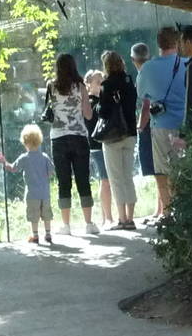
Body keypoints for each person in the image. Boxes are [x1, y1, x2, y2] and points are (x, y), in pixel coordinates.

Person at [43, 52, 99, 236]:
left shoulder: (51, 86)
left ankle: (66, 226)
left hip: (58, 138)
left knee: (63, 182)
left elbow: (48, 111)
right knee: (83, 179)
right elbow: (89, 115)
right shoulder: (81, 87)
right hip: (79, 137)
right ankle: (89, 223)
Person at [137, 27, 188, 218]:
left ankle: (167, 213)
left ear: (158, 44)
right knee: (183, 170)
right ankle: (184, 211)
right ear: (178, 43)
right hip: (184, 125)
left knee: (161, 171)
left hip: (160, 125)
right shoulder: (187, 64)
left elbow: (143, 95)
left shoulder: (147, 68)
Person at [95, 50, 139, 229]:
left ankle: (121, 219)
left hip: (113, 136)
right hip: (130, 132)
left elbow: (103, 111)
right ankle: (131, 217)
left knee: (116, 178)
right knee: (128, 176)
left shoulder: (107, 84)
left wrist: (98, 104)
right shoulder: (129, 81)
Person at [0, 124, 55, 245]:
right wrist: (43, 178)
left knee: (34, 215)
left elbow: (12, 168)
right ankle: (48, 234)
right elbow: (51, 172)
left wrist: (3, 161)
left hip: (32, 194)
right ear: (39, 140)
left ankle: (35, 236)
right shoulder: (45, 157)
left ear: (25, 142)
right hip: (45, 193)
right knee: (46, 214)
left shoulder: (24, 158)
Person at [83, 69, 114, 227]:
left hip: (105, 144)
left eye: (102, 81)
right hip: (97, 145)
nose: (101, 84)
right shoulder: (89, 102)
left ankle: (105, 217)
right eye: (97, 81)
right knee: (105, 180)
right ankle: (108, 217)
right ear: (88, 84)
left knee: (107, 180)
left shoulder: (102, 99)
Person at [130, 41, 156, 192]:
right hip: (160, 123)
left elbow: (146, 105)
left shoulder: (143, 76)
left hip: (148, 125)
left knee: (153, 167)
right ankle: (161, 206)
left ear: (133, 60)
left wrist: (140, 126)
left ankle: (162, 207)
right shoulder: (155, 72)